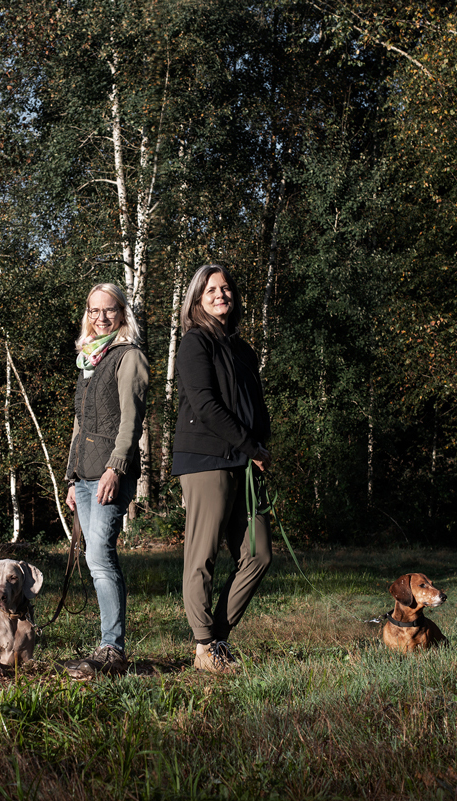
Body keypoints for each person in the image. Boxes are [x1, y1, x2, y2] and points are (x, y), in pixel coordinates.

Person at [172, 264, 272, 672]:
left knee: (259, 554)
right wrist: (251, 446)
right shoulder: (195, 342)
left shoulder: (242, 349)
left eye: (226, 287)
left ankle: (217, 638)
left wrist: (260, 446)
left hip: (245, 460)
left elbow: (254, 405)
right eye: (211, 289)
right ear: (197, 298)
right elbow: (206, 406)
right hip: (206, 460)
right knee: (203, 557)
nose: (220, 294)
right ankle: (204, 646)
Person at [63, 283, 149, 678]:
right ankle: (107, 644)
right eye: (94, 310)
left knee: (100, 556)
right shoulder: (88, 359)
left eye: (109, 310)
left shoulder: (129, 357)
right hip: (83, 474)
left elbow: (131, 422)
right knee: (94, 557)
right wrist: (70, 476)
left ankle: (113, 649)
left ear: (122, 313)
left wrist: (115, 468)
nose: (101, 317)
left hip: (110, 473)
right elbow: (79, 425)